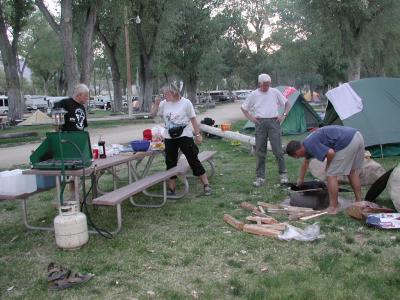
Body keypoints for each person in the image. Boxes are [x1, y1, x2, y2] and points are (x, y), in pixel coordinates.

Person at [285, 125, 365, 215]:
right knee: (352, 171)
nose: (297, 158)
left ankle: (333, 207)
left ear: (296, 152)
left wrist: (328, 165)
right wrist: (301, 179)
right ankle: (359, 201)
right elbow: (305, 163)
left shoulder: (310, 144)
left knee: (331, 175)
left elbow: (330, 153)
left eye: (295, 156)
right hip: (357, 135)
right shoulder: (306, 144)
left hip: (346, 142)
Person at [150, 83, 211, 196]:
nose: (164, 96)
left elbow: (193, 119)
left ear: (173, 93)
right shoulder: (163, 103)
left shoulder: (186, 103)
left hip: (184, 135)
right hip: (169, 136)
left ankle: (206, 184)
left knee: (192, 158)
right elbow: (152, 115)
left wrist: (198, 135)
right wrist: (156, 104)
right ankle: (172, 188)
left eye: (166, 93)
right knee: (170, 162)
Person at [241, 73, 291, 187]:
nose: (267, 87)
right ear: (260, 83)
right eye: (265, 85)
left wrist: (283, 115)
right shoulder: (254, 94)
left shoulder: (275, 92)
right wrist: (252, 119)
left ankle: (283, 174)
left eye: (268, 85)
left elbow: (287, 103)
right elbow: (244, 108)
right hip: (260, 123)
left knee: (278, 150)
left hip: (274, 122)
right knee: (260, 152)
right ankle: (260, 177)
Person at [53, 83, 90, 202]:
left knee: (78, 170)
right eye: (86, 96)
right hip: (67, 140)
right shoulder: (64, 103)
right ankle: (69, 196)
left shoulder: (82, 107)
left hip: (80, 140)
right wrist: (58, 129)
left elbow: (82, 126)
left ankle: (76, 195)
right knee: (71, 170)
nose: (87, 98)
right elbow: (55, 119)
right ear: (79, 95)